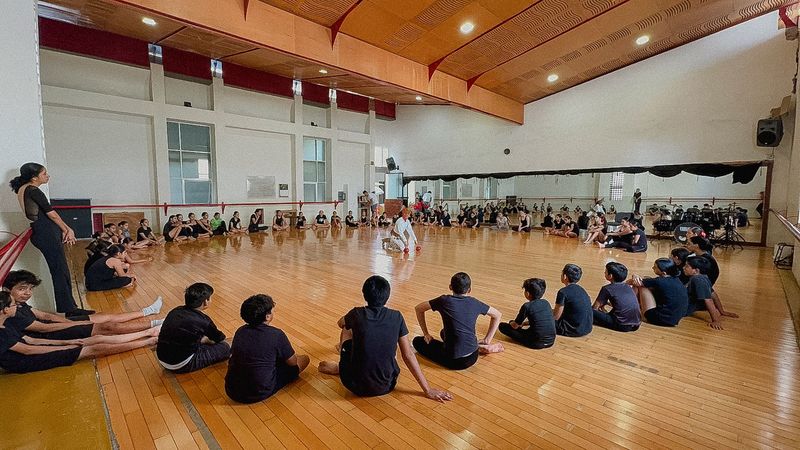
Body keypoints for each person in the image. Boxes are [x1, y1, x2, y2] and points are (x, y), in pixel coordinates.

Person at [318, 276, 452, 401]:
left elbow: (340, 323)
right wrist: (427, 389)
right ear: (387, 296)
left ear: (364, 295)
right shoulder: (397, 316)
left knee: (347, 328)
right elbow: (408, 355)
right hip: (387, 385)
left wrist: (352, 320)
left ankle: (341, 366)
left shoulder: (356, 313)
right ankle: (345, 366)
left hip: (354, 385)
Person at [0, 291, 158, 373]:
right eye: (14, 305)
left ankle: (149, 332)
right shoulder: (2, 333)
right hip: (25, 362)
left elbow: (30, 340)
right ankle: (148, 341)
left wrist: (66, 342)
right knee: (95, 348)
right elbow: (28, 350)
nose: (17, 306)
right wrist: (65, 348)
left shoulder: (6, 324)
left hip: (35, 349)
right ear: (5, 310)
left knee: (96, 339)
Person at [9, 163, 90, 316]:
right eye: (44, 173)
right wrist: (67, 229)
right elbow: (51, 214)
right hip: (46, 231)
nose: (48, 176)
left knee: (61, 270)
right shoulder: (33, 190)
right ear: (34, 178)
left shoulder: (23, 189)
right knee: (60, 271)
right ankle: (70, 310)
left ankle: (70, 307)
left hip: (43, 231)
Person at [4, 269, 163, 338]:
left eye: (30, 289)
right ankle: (156, 324)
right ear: (6, 289)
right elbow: (44, 327)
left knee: (103, 316)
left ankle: (148, 311)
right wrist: (73, 325)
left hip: (60, 325)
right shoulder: (9, 311)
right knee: (109, 326)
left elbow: (44, 315)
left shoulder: (18, 303)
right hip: (52, 334)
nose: (28, 293)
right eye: (22, 289)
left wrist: (67, 320)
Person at [225, 294, 309, 403]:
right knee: (304, 359)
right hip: (258, 392)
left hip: (231, 390)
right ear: (268, 316)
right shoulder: (276, 334)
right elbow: (293, 363)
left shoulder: (240, 331)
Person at [412, 272, 504, 370]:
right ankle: (480, 347)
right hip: (473, 356)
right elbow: (497, 315)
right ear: (469, 290)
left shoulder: (444, 300)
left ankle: (479, 347)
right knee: (443, 332)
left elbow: (418, 308)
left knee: (417, 341)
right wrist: (487, 340)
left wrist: (426, 334)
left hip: (455, 361)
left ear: (450, 287)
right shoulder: (474, 302)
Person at [157, 283, 230, 373]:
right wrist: (209, 341)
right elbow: (219, 338)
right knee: (225, 347)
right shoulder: (204, 321)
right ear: (205, 302)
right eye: (210, 298)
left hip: (161, 357)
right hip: (181, 364)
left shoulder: (175, 311)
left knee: (198, 338)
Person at [628, 258, 688, 327]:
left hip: (660, 319)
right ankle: (632, 305)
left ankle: (629, 306)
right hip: (674, 320)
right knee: (647, 284)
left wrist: (634, 276)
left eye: (655, 267)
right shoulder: (677, 280)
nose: (652, 268)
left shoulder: (659, 281)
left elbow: (634, 282)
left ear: (663, 273)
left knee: (641, 286)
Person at [498, 278, 556, 349]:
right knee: (521, 325)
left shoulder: (527, 306)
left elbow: (515, 326)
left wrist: (511, 323)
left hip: (536, 343)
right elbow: (539, 320)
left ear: (527, 293)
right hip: (551, 341)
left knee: (502, 326)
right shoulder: (546, 303)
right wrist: (524, 324)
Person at [683, 257, 735, 330]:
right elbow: (713, 294)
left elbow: (708, 300)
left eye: (687, 266)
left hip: (685, 308)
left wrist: (715, 320)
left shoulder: (698, 280)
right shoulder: (703, 277)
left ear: (696, 270)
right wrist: (722, 311)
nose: (683, 268)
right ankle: (716, 311)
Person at [591, 262, 641, 332]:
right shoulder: (627, 286)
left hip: (621, 325)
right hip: (636, 324)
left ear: (610, 276)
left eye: (605, 272)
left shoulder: (607, 288)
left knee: (589, 310)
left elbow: (594, 308)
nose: (604, 272)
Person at [553, 264, 593, 337]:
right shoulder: (582, 289)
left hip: (572, 330)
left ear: (565, 276)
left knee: (543, 320)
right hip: (587, 327)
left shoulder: (563, 292)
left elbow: (556, 317)